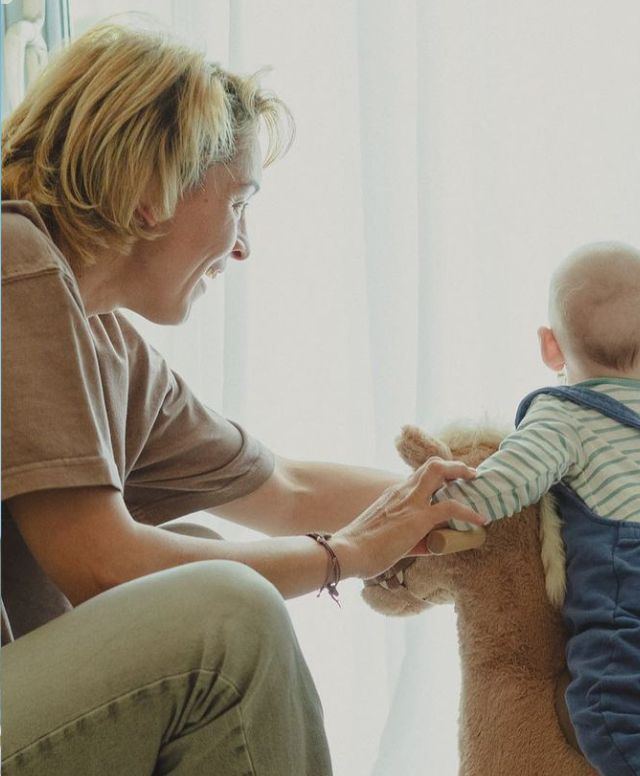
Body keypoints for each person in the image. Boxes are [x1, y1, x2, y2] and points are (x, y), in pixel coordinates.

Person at [0, 23, 484, 776]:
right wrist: (345, 556)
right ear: (153, 192)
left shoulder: (105, 343)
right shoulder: (14, 258)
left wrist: (498, 513)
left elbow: (286, 490)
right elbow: (99, 565)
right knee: (227, 611)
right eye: (238, 202)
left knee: (206, 563)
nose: (243, 246)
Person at [433, 242, 640, 776]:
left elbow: (506, 483)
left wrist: (443, 502)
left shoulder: (563, 415)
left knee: (606, 715)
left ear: (550, 347)